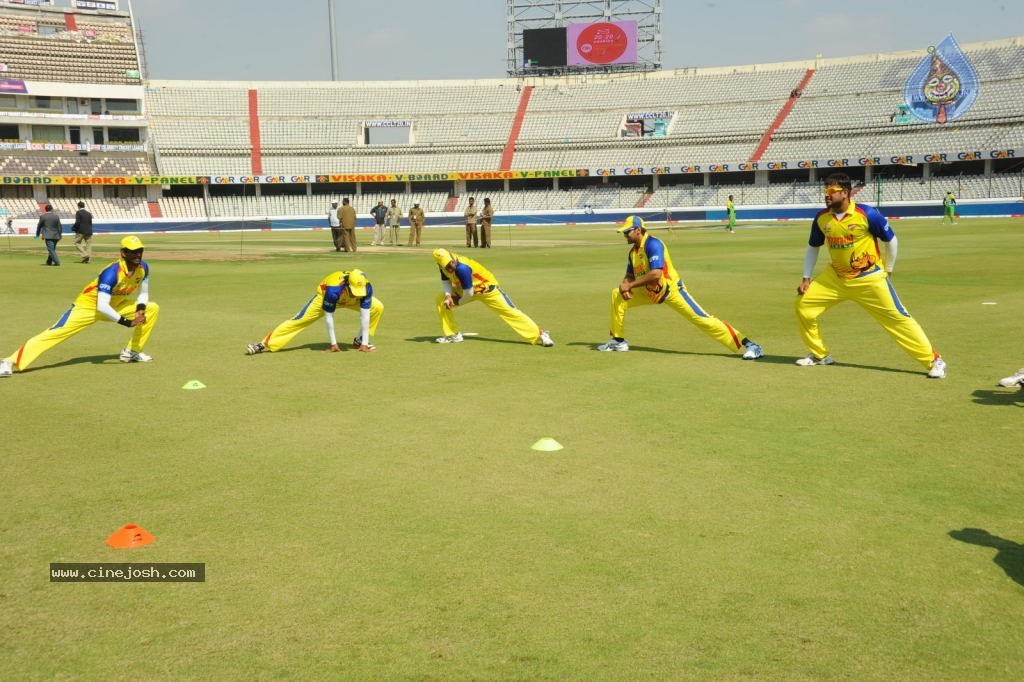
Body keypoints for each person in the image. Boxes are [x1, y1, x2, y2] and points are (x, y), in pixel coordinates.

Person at [795, 172, 946, 378]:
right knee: (804, 307)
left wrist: (889, 269)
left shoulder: (867, 214)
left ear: (845, 193)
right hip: (835, 279)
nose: (827, 195)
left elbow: (891, 240)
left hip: (869, 279)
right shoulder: (822, 218)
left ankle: (934, 361)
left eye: (832, 191)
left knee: (898, 319)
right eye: (825, 190)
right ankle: (820, 355)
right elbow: (813, 246)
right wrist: (806, 278)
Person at [595, 215, 764, 359]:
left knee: (703, 319)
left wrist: (630, 285)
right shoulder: (633, 252)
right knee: (616, 294)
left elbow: (656, 274)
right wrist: (625, 286)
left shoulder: (653, 244)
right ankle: (618, 341)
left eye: (627, 232)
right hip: (649, 291)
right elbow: (629, 275)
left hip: (672, 291)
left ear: (638, 230)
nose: (625, 235)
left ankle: (750, 345)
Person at [0, 235, 159, 378]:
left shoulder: (143, 268)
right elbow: (102, 306)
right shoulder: (111, 272)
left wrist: (140, 310)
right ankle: (9, 361)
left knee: (152, 308)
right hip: (87, 307)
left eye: (140, 250)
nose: (137, 254)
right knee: (55, 333)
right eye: (133, 251)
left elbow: (143, 293)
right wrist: (128, 322)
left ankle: (132, 351)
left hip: (116, 306)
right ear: (123, 253)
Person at [432, 248, 553, 347]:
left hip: (487, 289)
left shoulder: (462, 268)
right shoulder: (443, 266)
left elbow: (468, 294)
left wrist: (457, 301)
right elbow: (446, 281)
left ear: (452, 257)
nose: (450, 266)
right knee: (441, 300)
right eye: (446, 265)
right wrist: (448, 296)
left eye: (450, 262)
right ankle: (453, 335)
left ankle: (540, 335)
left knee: (510, 311)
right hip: (465, 289)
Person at [246, 269, 382, 355]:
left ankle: (359, 340)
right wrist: (333, 344)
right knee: (298, 320)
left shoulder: (366, 287)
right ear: (347, 284)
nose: (357, 294)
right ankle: (263, 344)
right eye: (354, 291)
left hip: (348, 300)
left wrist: (365, 343)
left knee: (377, 307)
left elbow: (365, 315)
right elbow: (329, 318)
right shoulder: (333, 289)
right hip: (323, 299)